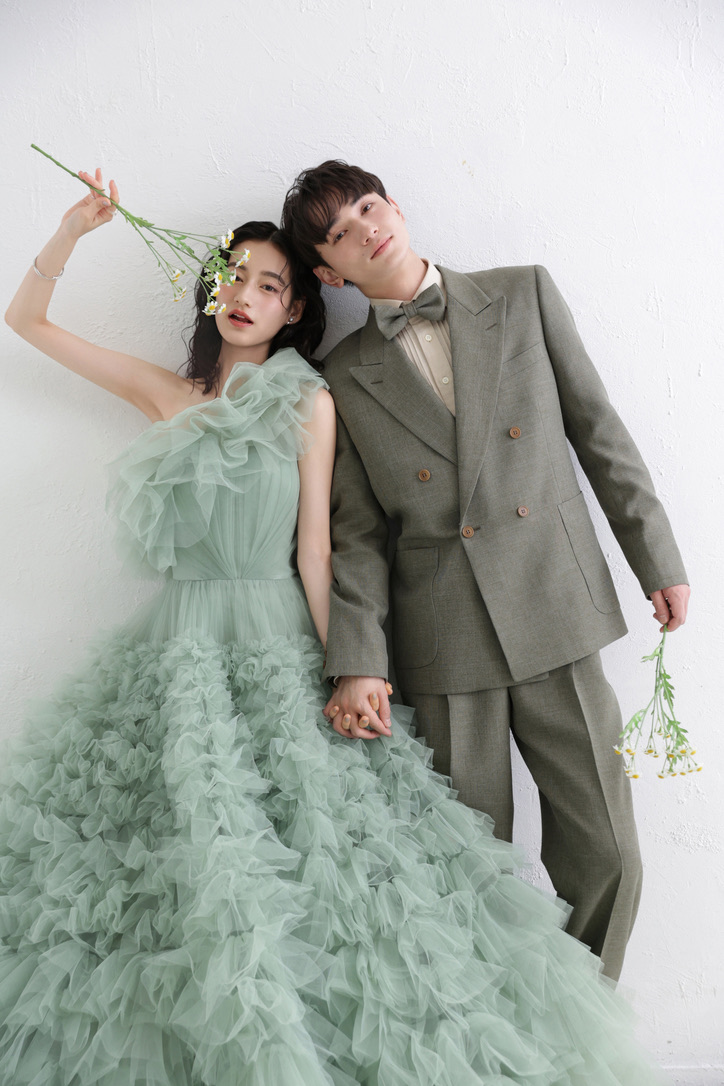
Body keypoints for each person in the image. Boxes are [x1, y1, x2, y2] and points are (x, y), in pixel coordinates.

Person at [0, 170, 666, 1085]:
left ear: (299, 305)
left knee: (351, 858)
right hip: (182, 647)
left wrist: (354, 665)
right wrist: (73, 231)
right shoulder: (179, 394)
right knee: (172, 853)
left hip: (302, 634)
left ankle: (521, 1027)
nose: (245, 295)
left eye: (269, 284)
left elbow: (322, 551)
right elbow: (27, 322)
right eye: (233, 278)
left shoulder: (315, 395)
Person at [281, 160, 690, 983]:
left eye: (369, 206)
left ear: (395, 206)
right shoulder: (344, 374)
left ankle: (580, 1025)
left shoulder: (522, 292)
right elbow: (357, 534)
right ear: (330, 273)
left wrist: (655, 556)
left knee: (609, 854)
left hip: (554, 604)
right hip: (443, 637)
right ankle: (498, 1037)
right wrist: (356, 656)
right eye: (340, 233)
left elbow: (598, 432)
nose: (366, 229)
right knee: (467, 870)